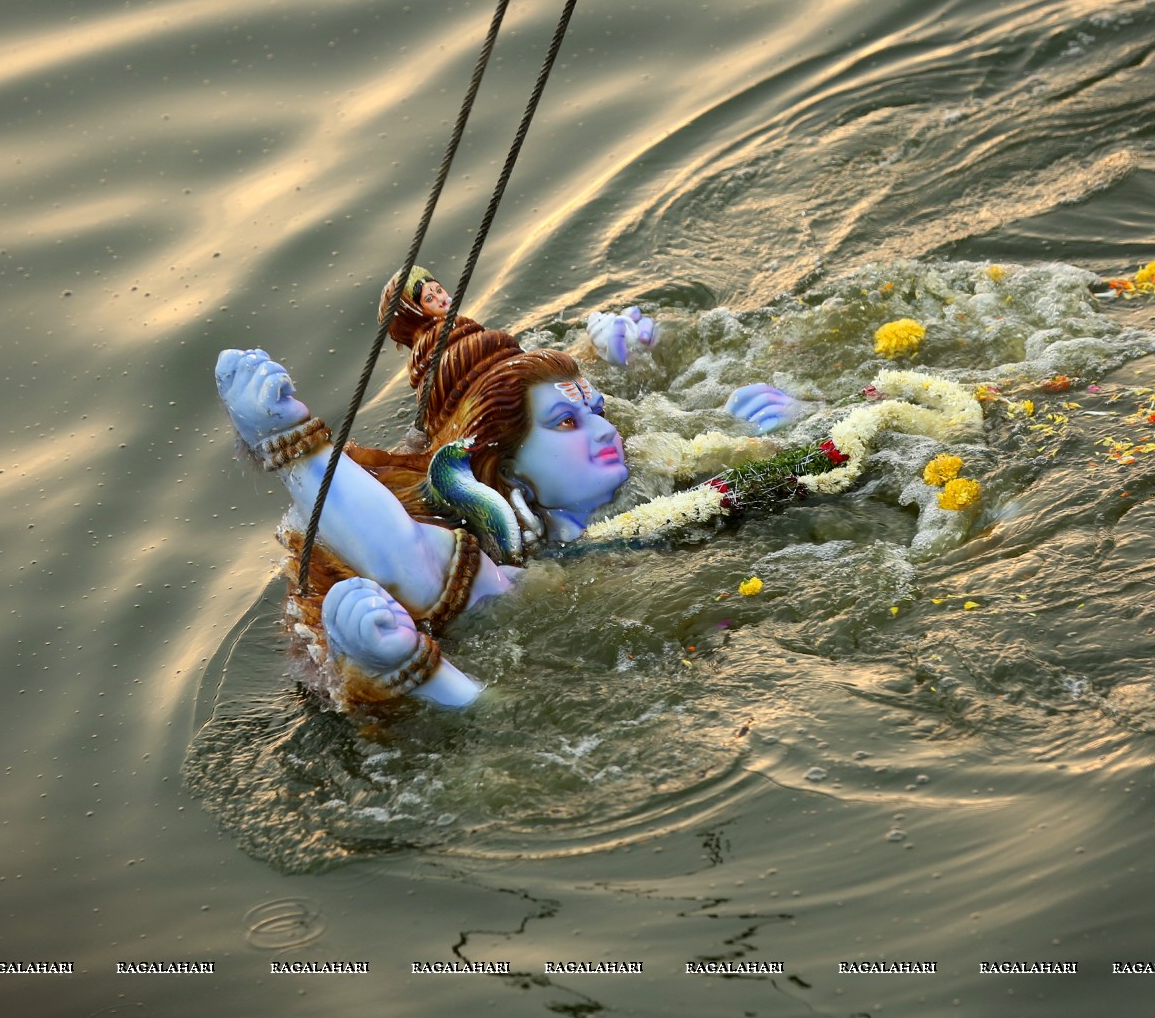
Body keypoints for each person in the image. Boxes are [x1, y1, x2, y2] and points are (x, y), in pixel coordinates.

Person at [216, 273, 798, 711]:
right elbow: (404, 557)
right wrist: (293, 444)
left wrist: (794, 422)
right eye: (567, 423)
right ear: (506, 464)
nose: (605, 429)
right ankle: (409, 677)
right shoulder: (509, 562)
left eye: (595, 409)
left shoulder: (662, 463)